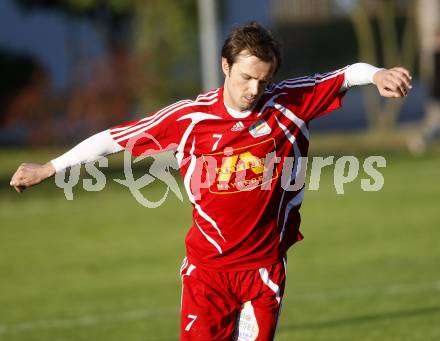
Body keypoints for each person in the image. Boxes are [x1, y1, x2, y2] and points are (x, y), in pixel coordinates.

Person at [10, 22, 412, 340]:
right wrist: (50, 167)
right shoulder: (190, 119)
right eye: (246, 78)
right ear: (226, 66)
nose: (255, 90)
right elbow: (113, 138)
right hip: (207, 275)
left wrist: (379, 75)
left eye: (264, 79)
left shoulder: (287, 104)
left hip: (263, 272)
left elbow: (347, 74)